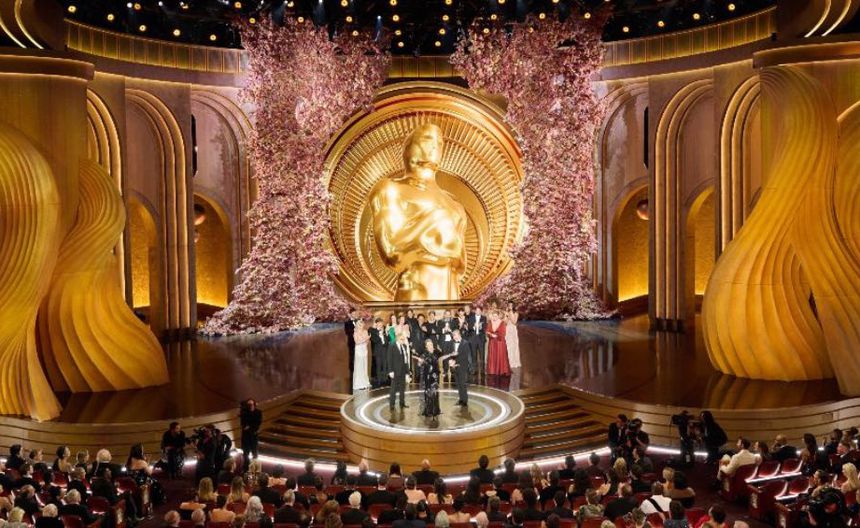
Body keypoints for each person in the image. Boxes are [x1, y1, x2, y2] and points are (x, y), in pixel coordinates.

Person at [446, 329, 472, 406]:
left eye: (455, 335)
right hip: (454, 367)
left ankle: (465, 401)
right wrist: (450, 361)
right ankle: (461, 399)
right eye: (453, 336)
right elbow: (449, 353)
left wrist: (455, 362)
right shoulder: (451, 343)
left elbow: (465, 356)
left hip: (462, 366)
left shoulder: (465, 343)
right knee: (458, 384)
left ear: (459, 334)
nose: (454, 337)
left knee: (462, 384)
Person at [417, 339, 441, 419]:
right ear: (426, 347)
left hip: (434, 378)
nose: (431, 346)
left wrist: (437, 375)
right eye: (429, 345)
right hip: (427, 379)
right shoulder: (423, 355)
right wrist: (420, 363)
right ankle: (428, 411)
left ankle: (435, 410)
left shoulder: (435, 355)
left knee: (435, 394)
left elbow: (437, 367)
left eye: (431, 345)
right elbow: (419, 365)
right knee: (428, 394)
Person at [388, 332, 412, 410]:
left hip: (403, 370)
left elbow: (406, 360)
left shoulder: (404, 346)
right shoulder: (392, 345)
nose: (403, 341)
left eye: (404, 339)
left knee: (402, 388)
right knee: (393, 389)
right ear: (398, 339)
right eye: (402, 339)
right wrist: (390, 371)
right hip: (395, 371)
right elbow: (389, 359)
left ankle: (402, 403)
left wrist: (407, 371)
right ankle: (392, 404)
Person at [487, 310, 511, 377]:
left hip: (499, 342)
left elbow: (503, 333)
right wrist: (491, 335)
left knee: (500, 355)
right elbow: (487, 331)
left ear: (498, 316)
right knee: (493, 356)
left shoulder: (502, 323)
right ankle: (493, 370)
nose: (494, 317)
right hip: (492, 342)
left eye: (496, 316)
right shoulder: (490, 322)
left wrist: (496, 336)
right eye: (493, 316)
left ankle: (501, 370)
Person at [352, 319, 372, 392]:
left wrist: (366, 340)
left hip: (364, 349)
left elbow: (367, 341)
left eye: (361, 324)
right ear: (357, 325)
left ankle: (365, 382)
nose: (360, 325)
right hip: (358, 350)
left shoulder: (365, 331)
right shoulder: (355, 332)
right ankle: (358, 384)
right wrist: (365, 339)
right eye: (359, 324)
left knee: (364, 366)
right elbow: (357, 342)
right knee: (359, 366)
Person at [370, 318, 389, 387]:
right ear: (377, 323)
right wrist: (380, 335)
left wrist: (386, 334)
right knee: (378, 366)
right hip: (378, 351)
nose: (381, 324)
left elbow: (387, 340)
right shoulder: (373, 331)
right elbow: (375, 340)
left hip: (384, 350)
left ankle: (385, 379)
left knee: (385, 365)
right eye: (379, 323)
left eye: (381, 323)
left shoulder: (384, 331)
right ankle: (379, 380)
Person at [469, 306, 488, 375]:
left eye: (479, 311)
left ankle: (482, 370)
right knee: (473, 355)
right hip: (473, 339)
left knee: (482, 355)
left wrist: (480, 327)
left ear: (481, 311)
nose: (478, 312)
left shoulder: (484, 318)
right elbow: (469, 328)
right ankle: (474, 370)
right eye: (477, 310)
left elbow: (485, 327)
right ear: (475, 311)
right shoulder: (471, 318)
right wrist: (474, 327)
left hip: (481, 338)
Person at [504, 302, 521, 370]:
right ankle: (508, 361)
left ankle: (514, 362)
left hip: (513, 330)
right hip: (507, 329)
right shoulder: (507, 313)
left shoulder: (516, 313)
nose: (510, 306)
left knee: (514, 345)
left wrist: (510, 314)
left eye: (511, 305)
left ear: (513, 306)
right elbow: (505, 322)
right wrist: (506, 316)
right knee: (508, 345)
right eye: (509, 305)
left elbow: (514, 322)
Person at [345, 307, 358, 378]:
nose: (355, 314)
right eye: (353, 313)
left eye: (355, 313)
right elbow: (347, 332)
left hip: (359, 342)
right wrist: (355, 330)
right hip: (352, 342)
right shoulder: (347, 322)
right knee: (352, 356)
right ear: (350, 314)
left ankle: (357, 369)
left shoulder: (358, 321)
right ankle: (352, 371)